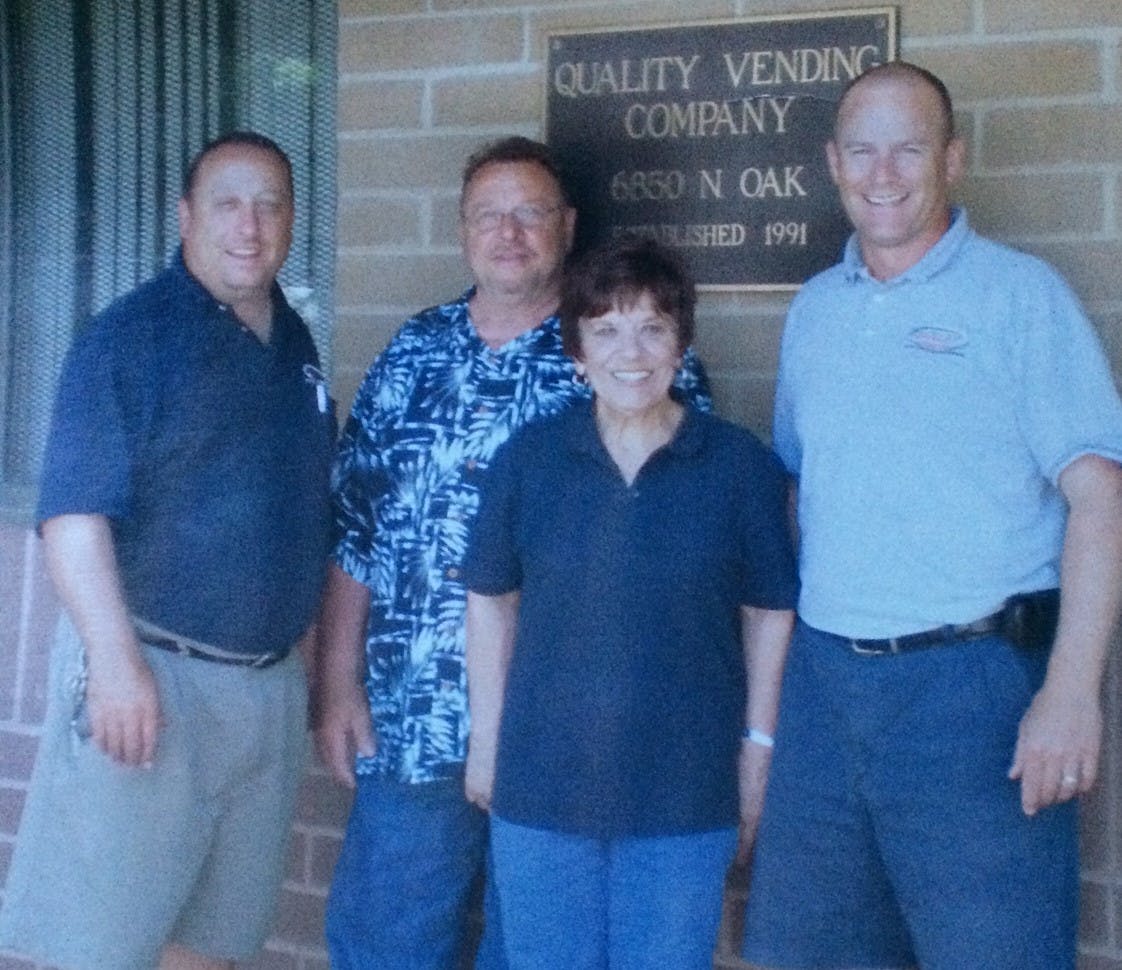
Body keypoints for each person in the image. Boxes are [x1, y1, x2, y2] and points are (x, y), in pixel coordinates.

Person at [741, 61, 1122, 970]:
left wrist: (1071, 693)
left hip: (974, 690)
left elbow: (1101, 496)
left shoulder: (1021, 296)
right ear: (833, 163)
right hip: (827, 691)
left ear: (951, 159)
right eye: (862, 150)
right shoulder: (815, 311)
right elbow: (801, 499)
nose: (884, 172)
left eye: (909, 148)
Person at [315, 137, 710, 969]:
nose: (509, 232)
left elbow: (681, 543)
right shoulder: (411, 354)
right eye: (489, 214)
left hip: (560, 730)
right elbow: (357, 530)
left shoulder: (624, 355)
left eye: (530, 212)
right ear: (462, 230)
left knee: (533, 952)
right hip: (411, 714)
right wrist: (337, 679)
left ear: (567, 226)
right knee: (388, 941)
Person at [0, 132, 333, 970]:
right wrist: (115, 667)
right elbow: (72, 519)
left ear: (293, 220)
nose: (249, 226)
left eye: (270, 205)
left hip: (262, 690)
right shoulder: (128, 340)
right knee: (99, 946)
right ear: (185, 216)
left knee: (211, 943)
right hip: (152, 680)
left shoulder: (294, 343)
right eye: (227, 203)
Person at [461, 236, 797, 970]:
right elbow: (489, 604)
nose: (631, 351)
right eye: (606, 329)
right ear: (577, 350)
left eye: (652, 327)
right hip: (542, 790)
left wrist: (758, 753)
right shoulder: (530, 459)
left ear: (682, 342)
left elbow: (771, 615)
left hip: (684, 797)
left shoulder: (739, 467)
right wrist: (485, 743)